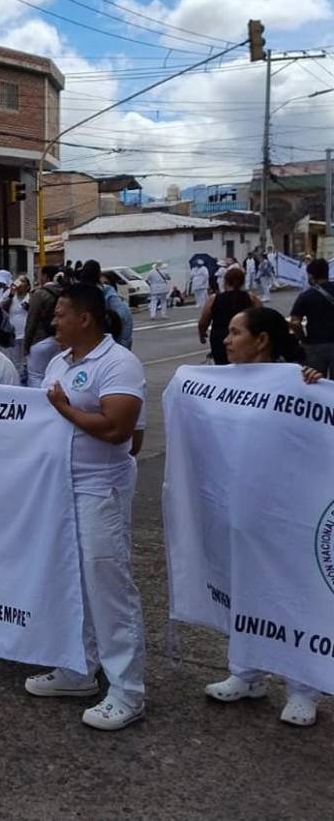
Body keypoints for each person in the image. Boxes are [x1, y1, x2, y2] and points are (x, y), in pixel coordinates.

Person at [24, 283, 147, 732]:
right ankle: (79, 668)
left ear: (86, 319)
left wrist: (64, 409)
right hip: (60, 490)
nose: (52, 321)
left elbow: (120, 431)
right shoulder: (59, 361)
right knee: (71, 583)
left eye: (60, 314)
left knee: (108, 585)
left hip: (101, 492)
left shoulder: (118, 364)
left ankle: (128, 691)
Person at [203, 306, 325, 726]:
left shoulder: (299, 382)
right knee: (246, 588)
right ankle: (247, 673)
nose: (226, 339)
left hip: (289, 512)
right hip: (241, 508)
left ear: (262, 340)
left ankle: (302, 688)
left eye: (236, 333)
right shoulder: (222, 383)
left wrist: (315, 384)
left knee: (292, 594)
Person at [199, 265, 257, 366]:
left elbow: (203, 321)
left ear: (225, 281)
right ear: (242, 282)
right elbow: (262, 318)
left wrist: (202, 334)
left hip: (220, 337)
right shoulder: (251, 298)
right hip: (244, 337)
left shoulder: (214, 298)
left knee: (222, 367)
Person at [288, 258, 334, 378]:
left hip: (315, 344)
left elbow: (295, 323)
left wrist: (303, 339)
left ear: (311, 275)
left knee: (316, 382)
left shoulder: (305, 296)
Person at [81, 261, 133, 351]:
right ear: (99, 274)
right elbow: (123, 315)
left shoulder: (76, 292)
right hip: (107, 339)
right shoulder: (106, 291)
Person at [25, 265, 62, 353]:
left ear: (45, 276)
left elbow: (32, 319)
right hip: (60, 339)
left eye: (39, 275)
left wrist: (26, 344)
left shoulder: (40, 294)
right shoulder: (64, 292)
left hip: (40, 339)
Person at [9, 275, 30, 369]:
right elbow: (1, 308)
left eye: (23, 281)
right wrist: (10, 294)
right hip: (13, 334)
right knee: (14, 362)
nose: (20, 283)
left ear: (28, 286)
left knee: (26, 361)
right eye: (19, 281)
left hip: (26, 334)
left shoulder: (31, 297)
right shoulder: (11, 296)